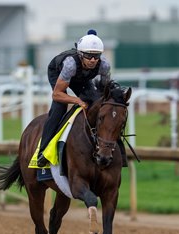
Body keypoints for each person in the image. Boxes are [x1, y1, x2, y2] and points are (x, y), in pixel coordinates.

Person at [37, 29, 127, 168]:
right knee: (59, 106)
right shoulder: (70, 65)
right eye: (88, 56)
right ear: (80, 54)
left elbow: (104, 93)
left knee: (99, 106)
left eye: (96, 56)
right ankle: (43, 151)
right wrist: (77, 101)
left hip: (82, 78)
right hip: (59, 74)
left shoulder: (104, 65)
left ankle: (113, 149)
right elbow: (57, 94)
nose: (92, 60)